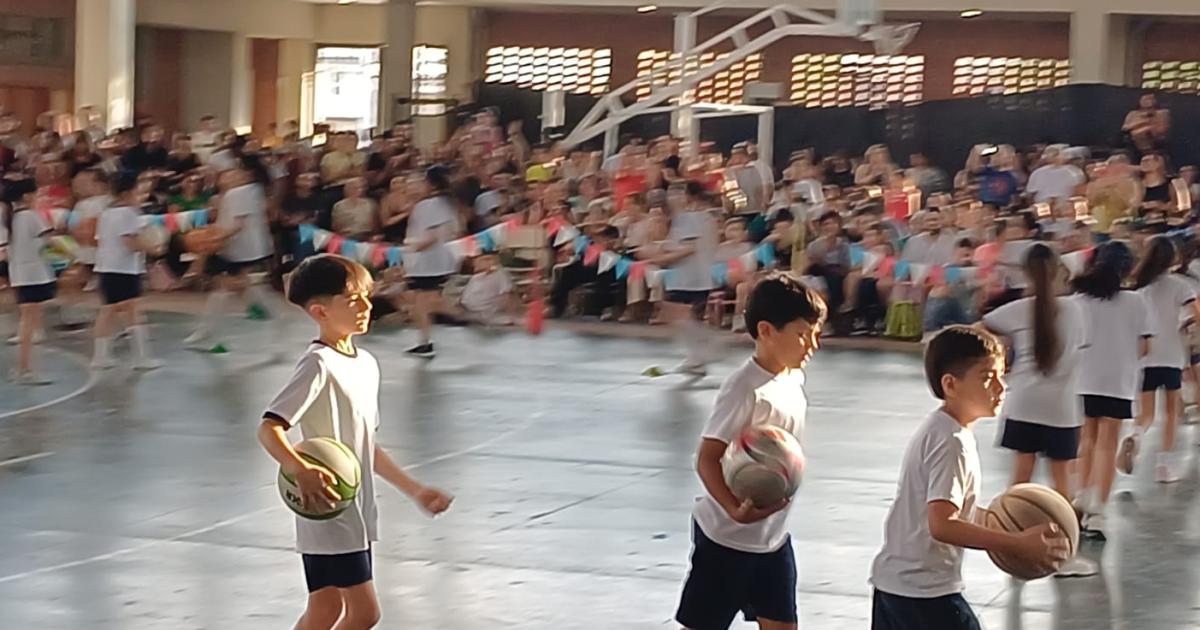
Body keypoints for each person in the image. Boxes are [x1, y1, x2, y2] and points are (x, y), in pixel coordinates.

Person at [257, 254, 452, 630]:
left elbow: (366, 445)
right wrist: (301, 469)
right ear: (320, 311)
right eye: (352, 300)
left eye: (366, 296)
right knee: (364, 613)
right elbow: (269, 427)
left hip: (355, 507)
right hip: (331, 507)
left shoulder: (365, 364)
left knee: (325, 609)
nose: (366, 306)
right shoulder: (318, 364)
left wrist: (415, 490)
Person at [870, 326, 1070, 629]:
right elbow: (942, 524)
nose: (1000, 387)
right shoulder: (951, 442)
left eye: (1002, 375)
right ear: (951, 384)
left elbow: (943, 509)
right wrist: (1015, 542)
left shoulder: (942, 430)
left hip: (896, 585)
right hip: (924, 593)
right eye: (987, 377)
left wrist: (989, 518)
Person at [674, 274, 826, 630]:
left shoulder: (791, 378)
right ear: (767, 331)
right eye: (803, 334)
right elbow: (707, 457)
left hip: (772, 539)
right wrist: (733, 508)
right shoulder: (744, 389)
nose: (813, 344)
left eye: (817, 333)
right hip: (726, 540)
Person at [981, 243, 1097, 576]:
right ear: (1061, 271)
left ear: (1027, 275)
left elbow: (983, 326)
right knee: (1063, 484)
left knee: (1020, 477)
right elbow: (1080, 350)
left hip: (1021, 401)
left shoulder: (1019, 309)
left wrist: (1001, 357)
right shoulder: (1076, 310)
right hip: (1060, 406)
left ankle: (1008, 545)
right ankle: (1065, 555)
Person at [1072, 241, 1151, 539]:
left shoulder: (1079, 300)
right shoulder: (1136, 301)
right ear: (1127, 268)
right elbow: (1145, 346)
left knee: (1086, 441)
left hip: (1083, 378)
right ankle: (1099, 511)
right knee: (1108, 443)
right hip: (1118, 380)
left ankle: (1081, 496)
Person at [1120, 235, 1200, 483]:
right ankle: (1163, 466)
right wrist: (1186, 324)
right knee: (1172, 412)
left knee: (1146, 414)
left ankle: (1136, 435)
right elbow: (1196, 313)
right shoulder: (1180, 286)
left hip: (1145, 357)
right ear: (1173, 258)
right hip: (1172, 355)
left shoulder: (1140, 289)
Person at [184, 157, 275, 350]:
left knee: (222, 287)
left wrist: (212, 239)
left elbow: (237, 225)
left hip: (239, 248)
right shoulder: (252, 191)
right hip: (244, 247)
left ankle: (209, 333)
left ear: (245, 175)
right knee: (237, 285)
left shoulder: (239, 193)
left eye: (233, 172)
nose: (226, 175)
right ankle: (264, 310)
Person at [90, 172, 162, 371]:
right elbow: (130, 242)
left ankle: (101, 356)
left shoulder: (106, 213)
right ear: (129, 192)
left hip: (107, 266)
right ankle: (140, 357)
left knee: (109, 310)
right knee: (133, 310)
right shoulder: (128, 214)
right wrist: (154, 248)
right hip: (123, 269)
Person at [658, 181, 719, 376]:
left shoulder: (688, 218)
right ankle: (696, 359)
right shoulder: (702, 218)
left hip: (688, 277)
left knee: (675, 316)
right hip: (698, 276)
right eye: (670, 194)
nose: (673, 199)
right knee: (686, 317)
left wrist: (660, 258)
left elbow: (688, 248)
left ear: (688, 197)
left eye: (678, 194)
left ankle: (705, 344)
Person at [402, 165, 461, 359]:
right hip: (436, 260)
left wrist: (410, 250)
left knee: (424, 302)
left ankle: (426, 341)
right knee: (422, 302)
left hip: (428, 262)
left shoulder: (429, 205)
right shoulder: (447, 203)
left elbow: (431, 237)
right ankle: (424, 341)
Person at [3, 177, 55, 384]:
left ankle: (24, 368)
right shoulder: (31, 217)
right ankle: (24, 370)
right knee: (28, 322)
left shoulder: (10, 217)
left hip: (20, 273)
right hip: (34, 273)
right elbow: (49, 241)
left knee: (29, 320)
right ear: (27, 196)